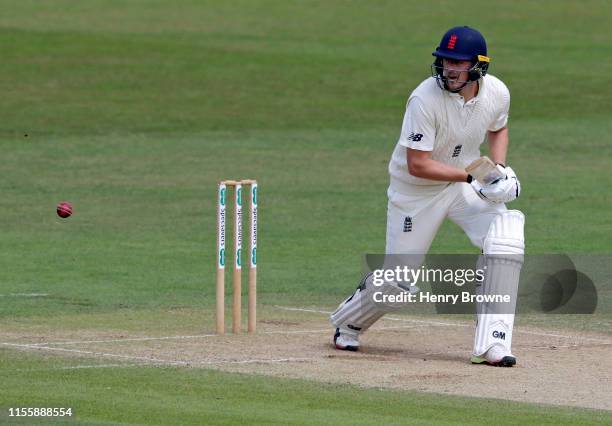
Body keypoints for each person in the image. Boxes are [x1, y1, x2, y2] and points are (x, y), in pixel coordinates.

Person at [330, 26, 524, 367]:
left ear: (478, 66)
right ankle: (349, 321)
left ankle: (494, 342)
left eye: (458, 63)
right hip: (416, 194)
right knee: (398, 283)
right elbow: (418, 165)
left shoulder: (497, 92)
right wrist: (474, 177)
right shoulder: (424, 98)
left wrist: (499, 171)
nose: (449, 68)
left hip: (462, 183)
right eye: (445, 60)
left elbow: (498, 127)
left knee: (506, 235)